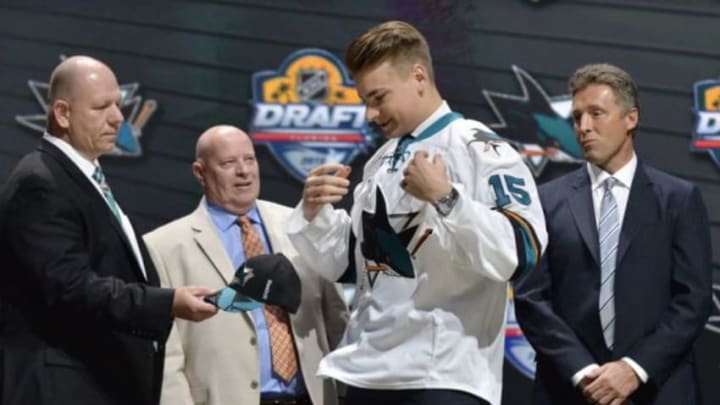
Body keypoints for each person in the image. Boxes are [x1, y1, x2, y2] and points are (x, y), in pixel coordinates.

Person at [286, 21, 547, 405]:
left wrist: (446, 198)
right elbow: (352, 265)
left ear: (419, 76)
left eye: (379, 97)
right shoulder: (380, 161)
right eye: (365, 101)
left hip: (441, 375)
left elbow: (520, 251)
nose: (371, 114)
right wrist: (314, 211)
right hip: (365, 371)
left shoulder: (479, 148)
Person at [0, 56, 217, 405]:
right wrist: (166, 302)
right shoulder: (40, 183)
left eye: (118, 104)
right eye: (102, 107)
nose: (118, 117)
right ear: (62, 114)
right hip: (63, 388)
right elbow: (71, 288)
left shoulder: (82, 177)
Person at [514, 63, 713, 405]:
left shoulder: (678, 199)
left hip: (657, 389)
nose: (584, 128)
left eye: (596, 113)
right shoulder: (546, 201)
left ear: (630, 118)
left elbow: (693, 299)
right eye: (577, 117)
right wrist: (583, 371)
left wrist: (633, 369)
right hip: (569, 389)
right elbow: (531, 298)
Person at [143, 125, 349, 405]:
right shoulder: (163, 246)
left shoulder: (300, 227)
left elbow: (336, 317)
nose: (244, 171)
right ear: (200, 172)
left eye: (249, 160)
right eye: (229, 163)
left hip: (312, 397)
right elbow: (168, 351)